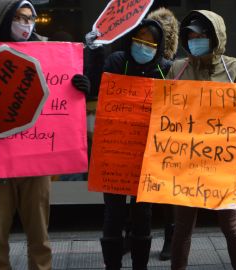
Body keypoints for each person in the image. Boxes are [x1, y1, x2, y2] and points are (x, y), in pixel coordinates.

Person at [0, 1, 90, 269]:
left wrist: (82, 88)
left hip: (36, 166)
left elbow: (63, 96)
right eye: (19, 17)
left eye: (30, 18)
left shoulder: (52, 55)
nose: (26, 24)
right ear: (3, 19)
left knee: (40, 238)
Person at [167, 10, 236, 270]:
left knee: (231, 224)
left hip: (221, 162)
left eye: (202, 35)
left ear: (215, 37)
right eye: (192, 35)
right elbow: (164, 111)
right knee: (182, 227)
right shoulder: (178, 68)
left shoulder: (235, 68)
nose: (196, 39)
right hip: (185, 162)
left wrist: (235, 141)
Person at [91, 19, 172, 270]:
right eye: (139, 40)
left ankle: (140, 266)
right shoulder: (117, 61)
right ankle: (111, 266)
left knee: (143, 215)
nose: (143, 46)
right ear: (130, 39)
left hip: (148, 157)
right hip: (116, 153)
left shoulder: (166, 69)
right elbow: (96, 84)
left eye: (150, 42)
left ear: (159, 46)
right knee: (113, 214)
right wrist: (93, 55)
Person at [146, 6, 180, 261]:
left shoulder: (170, 67)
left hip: (166, 134)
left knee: (167, 191)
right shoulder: (137, 62)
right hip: (142, 131)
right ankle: (137, 233)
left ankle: (171, 236)